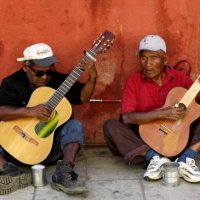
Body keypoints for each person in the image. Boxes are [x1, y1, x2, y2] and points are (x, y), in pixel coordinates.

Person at [0, 43, 97, 195]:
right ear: (26, 67)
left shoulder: (60, 81)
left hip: (47, 151)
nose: (44, 77)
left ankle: (64, 172)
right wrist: (30, 111)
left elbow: (83, 97)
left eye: (48, 72)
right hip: (10, 149)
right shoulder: (12, 83)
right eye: (39, 73)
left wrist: (92, 77)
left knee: (75, 126)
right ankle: (7, 171)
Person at [103, 35, 200, 183]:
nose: (147, 64)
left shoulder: (180, 78)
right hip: (146, 140)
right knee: (110, 126)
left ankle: (186, 159)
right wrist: (163, 113)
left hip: (180, 138)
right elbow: (127, 118)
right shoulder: (133, 82)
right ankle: (156, 159)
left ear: (165, 59)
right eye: (143, 58)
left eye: (154, 57)